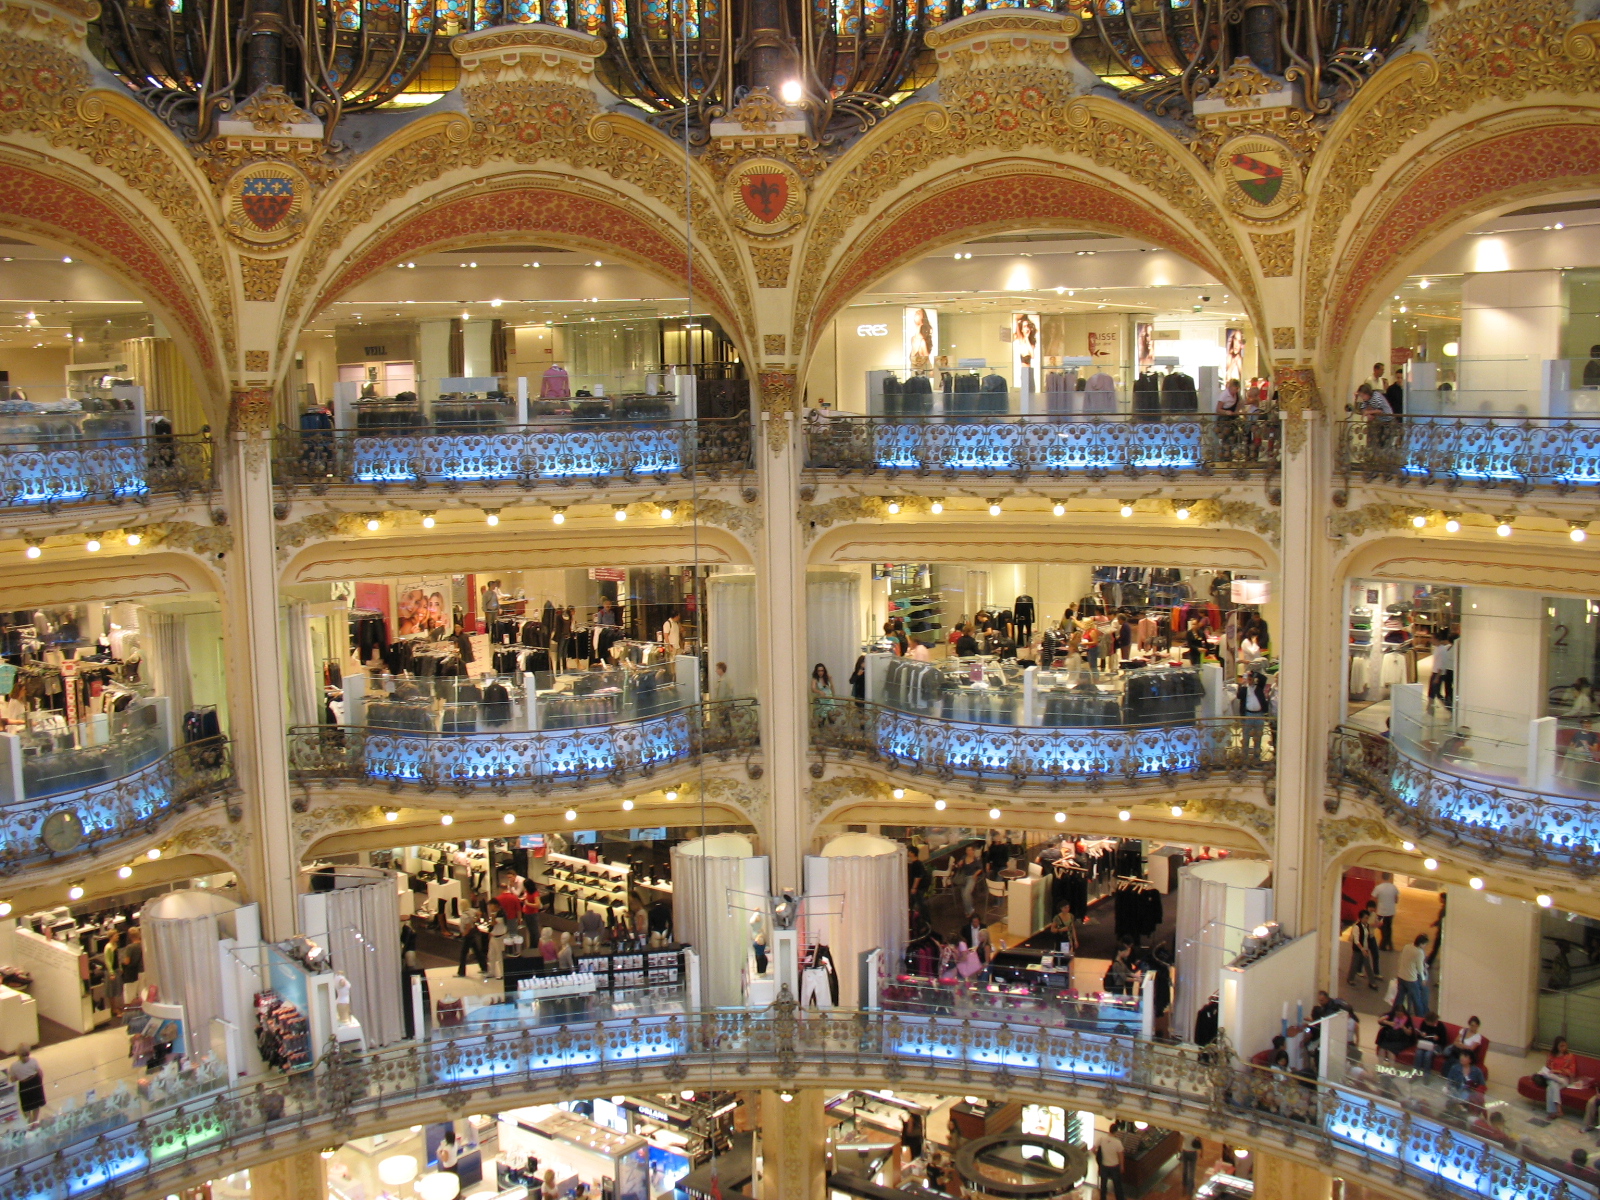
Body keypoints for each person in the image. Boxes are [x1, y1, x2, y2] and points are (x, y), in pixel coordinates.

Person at [1533, 1035, 1579, 1117]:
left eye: (1564, 1045)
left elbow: (1571, 1072)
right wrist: (1550, 1072)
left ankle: (1554, 1111)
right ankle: (1557, 1110)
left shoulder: (1570, 1057)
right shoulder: (1551, 1055)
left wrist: (1557, 1071)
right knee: (1552, 1086)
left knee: (1552, 1085)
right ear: (1556, 1046)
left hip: (1563, 1078)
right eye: (1561, 1046)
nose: (1563, 1048)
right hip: (1552, 1078)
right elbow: (1547, 1067)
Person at [1396, 932, 1430, 1016]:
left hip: (1401, 976)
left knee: (1399, 997)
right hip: (1411, 979)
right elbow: (1420, 968)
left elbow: (1400, 959)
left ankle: (1394, 1014)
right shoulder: (1419, 952)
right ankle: (1420, 1018)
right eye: (1425, 944)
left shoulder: (1407, 946)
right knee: (1417, 1000)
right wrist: (1423, 978)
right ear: (1421, 943)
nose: (1425, 946)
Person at [6, 1046, 44, 1122]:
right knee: (36, 1104)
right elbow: (40, 1072)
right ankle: (35, 1121)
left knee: (26, 1106)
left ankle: (29, 1121)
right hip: (35, 1082)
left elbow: (12, 1079)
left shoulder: (14, 1066)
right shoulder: (34, 1061)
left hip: (24, 1085)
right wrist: (40, 1083)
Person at [1346, 910, 1379, 989]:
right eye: (1365, 918)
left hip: (1365, 948)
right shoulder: (1356, 927)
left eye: (1367, 918)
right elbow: (1356, 940)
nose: (1367, 920)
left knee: (1367, 965)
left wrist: (1365, 949)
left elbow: (1366, 937)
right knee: (1354, 965)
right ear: (1360, 918)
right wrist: (1362, 949)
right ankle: (1350, 979)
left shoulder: (1366, 925)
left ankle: (1372, 982)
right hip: (1358, 950)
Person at [457, 901, 489, 976]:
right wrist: (475, 920)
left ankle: (461, 972)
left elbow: (468, 926)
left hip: (468, 935)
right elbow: (479, 913)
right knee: (477, 951)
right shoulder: (471, 910)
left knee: (464, 953)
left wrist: (464, 933)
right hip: (472, 934)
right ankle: (484, 967)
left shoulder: (465, 915)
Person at [1411, 1010, 1448, 1075]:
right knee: (1419, 1053)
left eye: (1428, 1022)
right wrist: (1422, 1035)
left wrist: (1437, 1039)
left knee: (1428, 1055)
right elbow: (1420, 1036)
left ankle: (1427, 1074)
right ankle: (1415, 1073)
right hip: (1425, 1044)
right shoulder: (1424, 1023)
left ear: (1434, 1021)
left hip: (1437, 1046)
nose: (1427, 1023)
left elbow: (1444, 1042)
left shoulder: (1441, 1026)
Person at [1372, 872, 1400, 952]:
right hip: (1391, 911)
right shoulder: (1393, 887)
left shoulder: (1378, 888)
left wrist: (1373, 909)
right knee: (1389, 928)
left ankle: (1383, 945)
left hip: (1381, 911)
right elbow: (1396, 900)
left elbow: (1373, 899)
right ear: (1389, 877)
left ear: (1382, 876)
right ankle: (1389, 944)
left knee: (1382, 928)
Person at [1427, 634, 1455, 713]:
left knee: (1437, 693)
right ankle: (1429, 709)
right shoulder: (1437, 648)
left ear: (1436, 639)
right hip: (1435, 672)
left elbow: (1442, 664)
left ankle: (1449, 708)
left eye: (1432, 638)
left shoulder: (1442, 650)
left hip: (1438, 674)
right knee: (1432, 692)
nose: (1430, 640)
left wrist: (1437, 676)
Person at [1094, 1131, 1126, 1200]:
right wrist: (1122, 1166)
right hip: (1114, 1166)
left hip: (1104, 1166)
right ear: (1116, 1132)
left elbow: (1093, 1149)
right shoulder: (1117, 1142)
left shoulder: (1102, 1139)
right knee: (1117, 1185)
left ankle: (1103, 1198)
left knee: (1103, 1186)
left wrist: (1097, 1155)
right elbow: (1121, 1155)